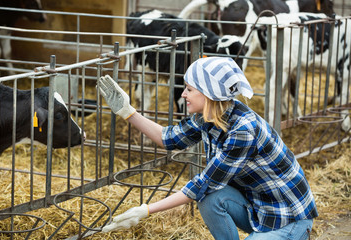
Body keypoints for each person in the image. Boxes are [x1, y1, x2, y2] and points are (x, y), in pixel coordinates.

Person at [98, 57, 318, 240]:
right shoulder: (209, 116)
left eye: (189, 89)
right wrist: (127, 112)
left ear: (208, 93)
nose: (183, 94)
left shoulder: (243, 130)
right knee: (210, 199)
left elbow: (202, 184)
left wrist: (144, 210)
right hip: (259, 209)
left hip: (289, 217)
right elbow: (169, 139)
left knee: (205, 191)